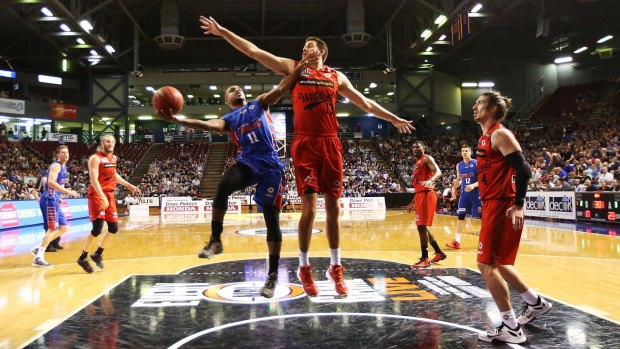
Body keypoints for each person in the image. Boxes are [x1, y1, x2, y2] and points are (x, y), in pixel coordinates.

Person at [200, 16, 414, 296]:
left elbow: (367, 103)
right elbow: (253, 51)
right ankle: (304, 267)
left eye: (309, 46)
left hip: (330, 143)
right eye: (303, 46)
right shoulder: (294, 69)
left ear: (322, 52)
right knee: (310, 210)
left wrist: (393, 117)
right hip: (305, 144)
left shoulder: (337, 76)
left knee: (334, 211)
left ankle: (335, 267)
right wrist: (222, 31)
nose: (304, 49)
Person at [156, 55, 316, 298]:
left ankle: (272, 276)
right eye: (232, 89)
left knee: (271, 221)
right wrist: (176, 119)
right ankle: (215, 240)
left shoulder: (259, 104)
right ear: (227, 100)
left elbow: (282, 88)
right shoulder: (228, 120)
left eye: (239, 87)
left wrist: (299, 70)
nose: (237, 89)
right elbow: (206, 125)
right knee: (223, 186)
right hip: (249, 162)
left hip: (272, 165)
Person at [473, 92, 552, 344]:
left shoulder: (499, 133)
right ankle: (535, 303)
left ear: (493, 109)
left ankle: (511, 327)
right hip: (494, 203)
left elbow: (524, 168)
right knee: (500, 263)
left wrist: (518, 204)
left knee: (486, 265)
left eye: (480, 103)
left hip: (502, 204)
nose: (475, 107)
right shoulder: (486, 136)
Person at [77, 135, 140, 273]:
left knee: (113, 228)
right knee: (97, 229)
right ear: (102, 143)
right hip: (97, 195)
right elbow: (94, 180)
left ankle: (97, 254)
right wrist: (102, 198)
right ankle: (83, 257)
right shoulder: (95, 158)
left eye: (112, 141)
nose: (110, 143)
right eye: (107, 141)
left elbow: (114, 175)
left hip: (109, 195)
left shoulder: (114, 158)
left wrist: (128, 185)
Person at [31, 145, 79, 267]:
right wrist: (68, 192)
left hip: (55, 200)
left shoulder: (64, 167)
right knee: (52, 229)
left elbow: (55, 186)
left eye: (67, 152)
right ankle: (38, 258)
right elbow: (51, 183)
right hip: (49, 200)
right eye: (62, 152)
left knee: (64, 228)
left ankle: (38, 248)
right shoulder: (56, 165)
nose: (65, 154)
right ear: (58, 155)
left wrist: (59, 197)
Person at [406, 141, 446, 268]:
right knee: (423, 227)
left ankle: (425, 258)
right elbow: (418, 185)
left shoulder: (427, 158)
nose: (415, 148)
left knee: (421, 227)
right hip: (420, 195)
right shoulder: (416, 163)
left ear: (423, 148)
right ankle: (439, 253)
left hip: (427, 195)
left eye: (418, 146)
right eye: (413, 147)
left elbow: (438, 172)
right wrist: (412, 202)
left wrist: (431, 180)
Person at [446, 144, 482, 249]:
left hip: (476, 193)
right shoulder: (459, 165)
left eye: (466, 151)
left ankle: (486, 241)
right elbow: (458, 179)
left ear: (470, 152)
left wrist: (473, 185)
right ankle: (456, 241)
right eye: (463, 151)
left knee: (482, 217)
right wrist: (454, 188)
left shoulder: (476, 163)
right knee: (461, 216)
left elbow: (483, 179)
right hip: (464, 194)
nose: (464, 153)